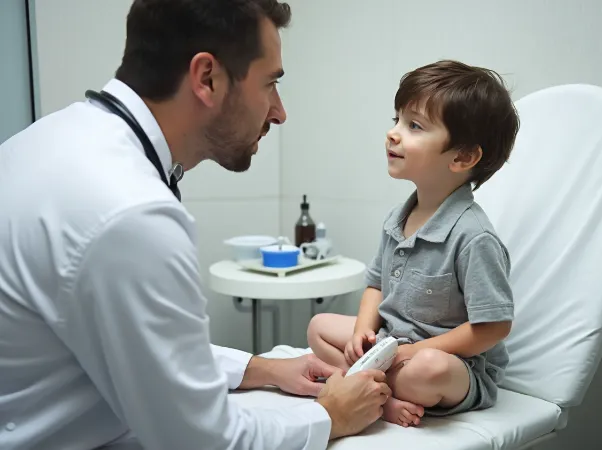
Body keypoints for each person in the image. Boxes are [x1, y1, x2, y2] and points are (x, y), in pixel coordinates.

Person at [0, 1, 391, 449]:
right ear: (207, 78)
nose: (279, 113)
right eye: (270, 85)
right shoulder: (130, 212)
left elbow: (138, 345)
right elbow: (201, 441)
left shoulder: (49, 139)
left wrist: (260, 369)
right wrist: (328, 418)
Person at [308, 60, 520, 428]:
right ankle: (380, 397)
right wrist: (362, 330)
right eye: (397, 120)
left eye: (414, 126)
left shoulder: (473, 235)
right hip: (391, 342)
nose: (393, 133)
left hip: (449, 363)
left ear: (463, 157)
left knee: (428, 371)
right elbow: (375, 284)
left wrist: (415, 351)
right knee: (319, 327)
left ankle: (369, 390)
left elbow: (493, 327)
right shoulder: (398, 218)